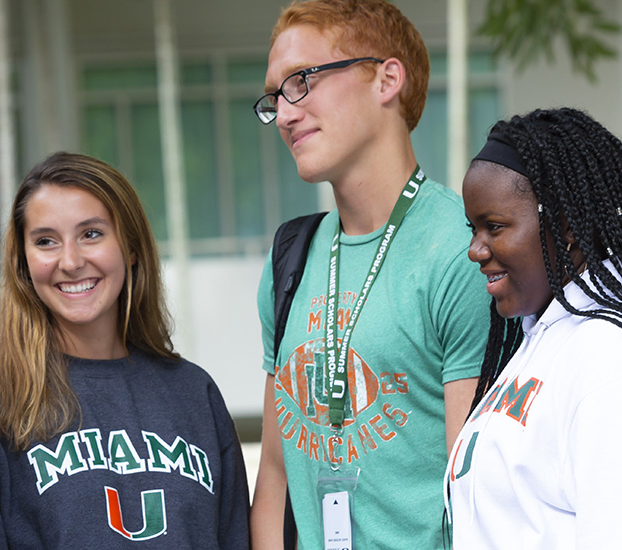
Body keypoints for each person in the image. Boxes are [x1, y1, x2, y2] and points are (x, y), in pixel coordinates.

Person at [249, 1, 490, 548]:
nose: (284, 114)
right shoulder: (291, 257)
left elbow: (473, 490)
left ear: (386, 79)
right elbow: (275, 475)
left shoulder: (459, 251)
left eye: (301, 82)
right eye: (275, 96)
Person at [447, 107, 622, 548]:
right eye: (473, 228)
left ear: (566, 229)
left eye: (494, 227)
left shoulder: (618, 365)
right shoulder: (547, 336)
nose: (475, 250)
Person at [0, 152, 250, 549]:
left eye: (91, 234)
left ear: (132, 248)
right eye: (45, 241)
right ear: (22, 263)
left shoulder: (194, 393)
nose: (70, 261)